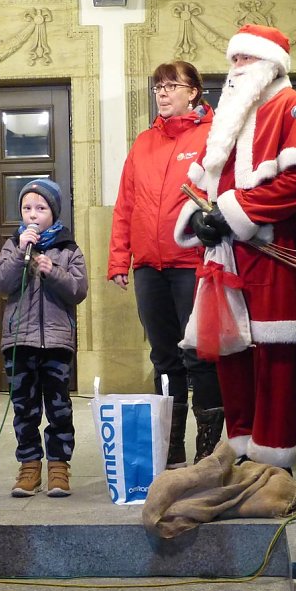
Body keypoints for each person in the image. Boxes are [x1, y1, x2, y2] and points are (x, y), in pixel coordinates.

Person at [175, 24, 296, 472]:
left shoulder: (291, 106)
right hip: (224, 254)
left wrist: (234, 212)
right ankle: (241, 446)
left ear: (269, 64)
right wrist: (201, 219)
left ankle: (273, 457)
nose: (236, 69)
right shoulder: (230, 114)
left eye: (245, 60)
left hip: (271, 249)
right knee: (231, 350)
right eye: (234, 61)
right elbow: (205, 174)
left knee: (273, 353)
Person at [107, 61, 225, 467]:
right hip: (149, 267)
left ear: (193, 91)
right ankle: (171, 448)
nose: (162, 92)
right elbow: (126, 203)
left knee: (199, 354)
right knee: (163, 356)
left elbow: (223, 193)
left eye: (171, 85)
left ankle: (208, 453)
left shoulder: (213, 135)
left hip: (192, 262)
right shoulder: (143, 142)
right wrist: (120, 258)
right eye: (158, 86)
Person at [0, 179, 88, 497]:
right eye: (27, 208)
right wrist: (21, 255)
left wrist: (53, 271)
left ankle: (59, 467)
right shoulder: (13, 245)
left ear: (53, 212)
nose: (33, 214)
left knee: (59, 407)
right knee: (25, 408)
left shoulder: (68, 249)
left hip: (57, 344)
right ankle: (29, 467)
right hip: (20, 341)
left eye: (40, 208)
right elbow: (1, 282)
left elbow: (79, 290)